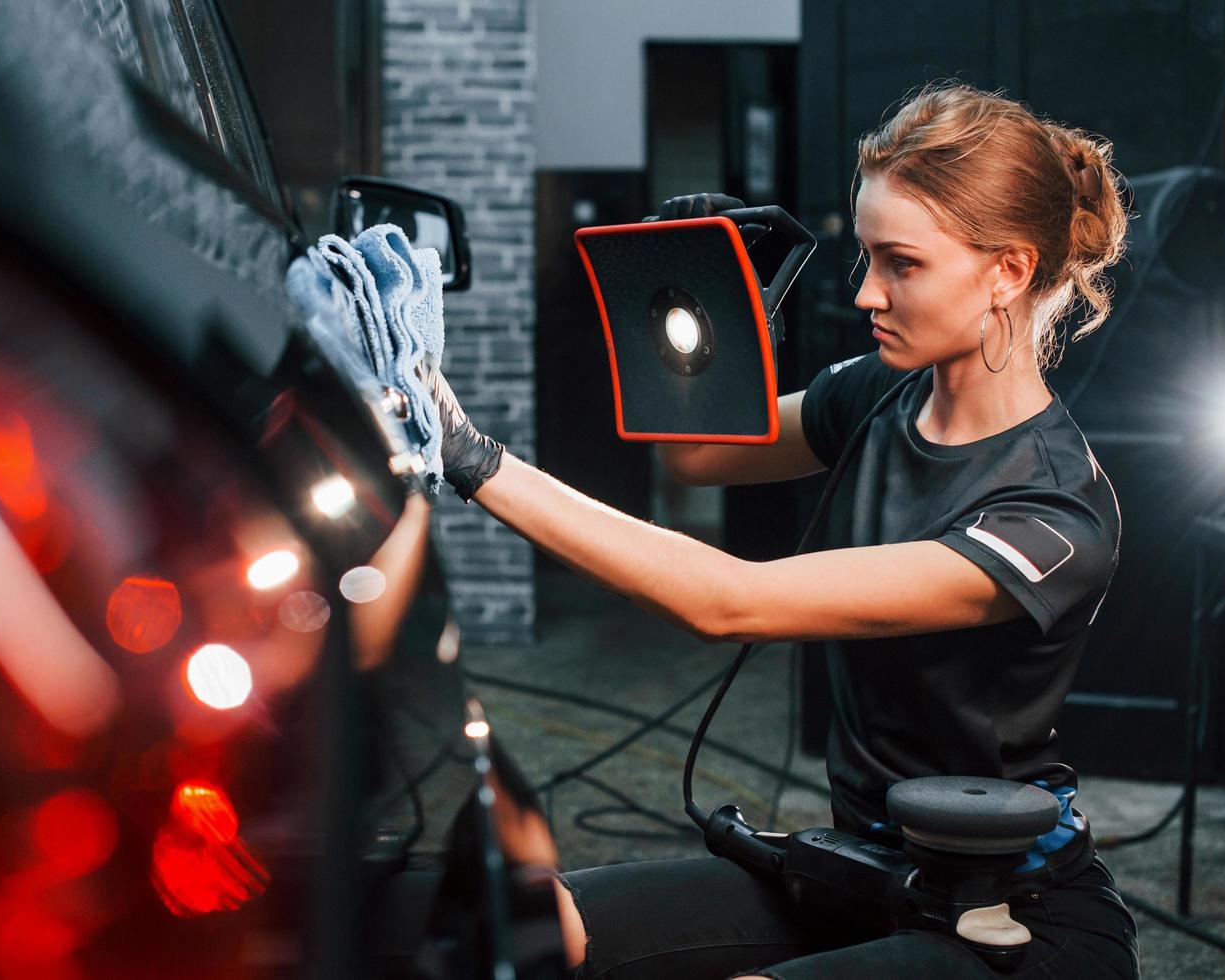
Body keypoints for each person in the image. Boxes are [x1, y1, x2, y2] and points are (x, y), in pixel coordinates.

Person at [423, 82, 1139, 978]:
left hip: (1015, 920)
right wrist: (707, 295)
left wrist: (473, 459)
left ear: (1008, 271)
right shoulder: (876, 394)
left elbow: (733, 603)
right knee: (535, 927)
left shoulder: (1052, 514)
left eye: (901, 263)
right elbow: (699, 457)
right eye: (866, 254)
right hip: (866, 874)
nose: (867, 291)